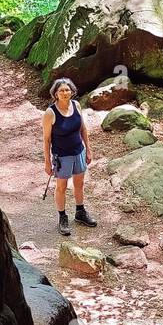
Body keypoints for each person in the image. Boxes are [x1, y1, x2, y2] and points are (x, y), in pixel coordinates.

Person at [42, 77, 96, 235]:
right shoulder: (50, 113)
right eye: (61, 90)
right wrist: (47, 161)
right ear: (55, 94)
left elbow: (83, 129)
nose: (65, 93)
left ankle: (80, 212)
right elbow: (46, 140)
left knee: (79, 183)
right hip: (62, 156)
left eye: (67, 90)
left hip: (79, 151)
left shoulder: (76, 105)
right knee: (61, 187)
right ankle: (62, 217)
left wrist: (88, 149)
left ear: (72, 92)